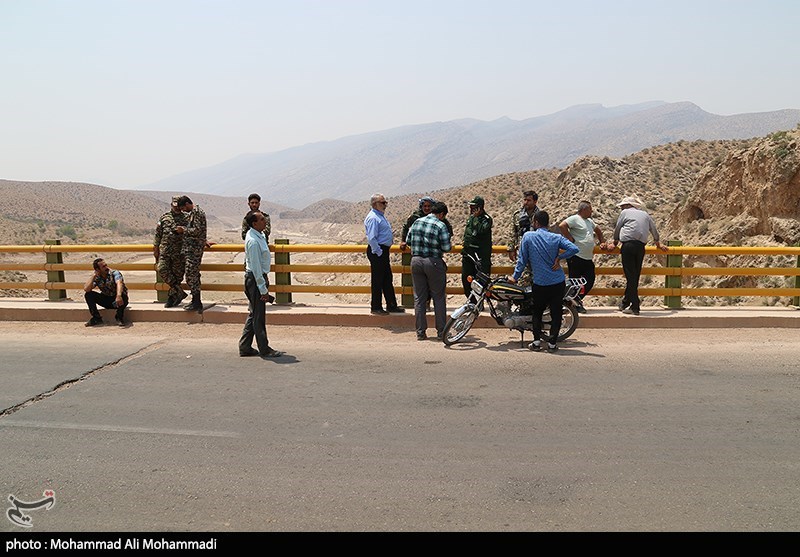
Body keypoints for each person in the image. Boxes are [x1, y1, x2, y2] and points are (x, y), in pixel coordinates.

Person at [508, 211, 579, 352]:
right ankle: (552, 344)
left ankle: (536, 342)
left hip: (540, 283)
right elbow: (574, 248)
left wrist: (515, 277)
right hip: (557, 282)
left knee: (537, 312)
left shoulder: (528, 237)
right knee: (556, 313)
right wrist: (560, 258)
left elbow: (521, 261)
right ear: (547, 223)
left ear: (535, 222)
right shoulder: (556, 237)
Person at [602, 196, 668, 315]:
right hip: (640, 247)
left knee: (630, 276)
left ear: (627, 205)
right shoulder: (645, 214)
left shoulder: (625, 213)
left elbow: (617, 228)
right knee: (634, 276)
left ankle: (635, 306)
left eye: (622, 206)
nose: (621, 208)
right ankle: (626, 302)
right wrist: (657, 242)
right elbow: (653, 229)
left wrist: (615, 242)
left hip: (628, 246)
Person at [239, 210, 284, 359]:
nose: (265, 222)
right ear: (254, 223)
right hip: (255, 280)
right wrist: (263, 289)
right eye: (262, 220)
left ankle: (245, 346)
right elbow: (257, 269)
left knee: (254, 314)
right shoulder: (253, 241)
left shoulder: (260, 236)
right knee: (259, 317)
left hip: (257, 278)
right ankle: (264, 349)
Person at [405, 202, 452, 340]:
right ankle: (441, 332)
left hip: (416, 261)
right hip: (434, 262)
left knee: (419, 298)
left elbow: (408, 240)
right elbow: (446, 247)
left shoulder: (417, 222)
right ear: (442, 214)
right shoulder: (440, 225)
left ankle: (420, 332)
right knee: (438, 297)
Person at [400, 196, 453, 312]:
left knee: (422, 292)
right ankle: (440, 327)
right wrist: (403, 241)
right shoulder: (415, 217)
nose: (427, 208)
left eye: (429, 206)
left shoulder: (442, 222)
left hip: (420, 260)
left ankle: (420, 327)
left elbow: (450, 231)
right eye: (425, 206)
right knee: (434, 293)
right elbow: (406, 229)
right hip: (431, 260)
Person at [558, 200, 605, 313]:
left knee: (590, 280)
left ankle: (574, 301)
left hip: (587, 257)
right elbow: (562, 225)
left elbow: (598, 230)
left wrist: (602, 241)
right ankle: (574, 304)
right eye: (590, 209)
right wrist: (569, 238)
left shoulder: (589, 221)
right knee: (575, 282)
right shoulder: (575, 218)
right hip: (576, 256)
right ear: (583, 209)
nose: (592, 211)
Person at [364, 193, 405, 315]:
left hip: (382, 251)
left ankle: (391, 305)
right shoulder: (373, 218)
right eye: (383, 203)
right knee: (378, 280)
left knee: (387, 278)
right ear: (375, 204)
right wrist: (379, 252)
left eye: (385, 202)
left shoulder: (379, 216)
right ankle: (376, 306)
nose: (385, 205)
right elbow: (371, 238)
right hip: (378, 251)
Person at [178, 196, 215, 313]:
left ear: (188, 204)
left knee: (191, 274)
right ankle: (195, 300)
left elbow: (198, 230)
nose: (183, 210)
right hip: (190, 249)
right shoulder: (193, 213)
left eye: (183, 208)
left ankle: (196, 301)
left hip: (194, 250)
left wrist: (183, 230)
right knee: (192, 274)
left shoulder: (197, 213)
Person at [154, 195, 188, 308]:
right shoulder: (165, 217)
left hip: (180, 253)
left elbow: (193, 232)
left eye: (179, 206)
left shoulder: (186, 218)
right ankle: (179, 292)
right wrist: (156, 248)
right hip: (165, 251)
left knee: (177, 276)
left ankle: (172, 297)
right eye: (175, 206)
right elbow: (158, 234)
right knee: (161, 268)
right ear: (171, 205)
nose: (177, 208)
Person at [506, 190, 541, 287]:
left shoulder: (540, 215)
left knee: (536, 278)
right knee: (522, 277)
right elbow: (512, 232)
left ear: (535, 201)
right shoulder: (518, 215)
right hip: (521, 251)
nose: (525, 202)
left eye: (528, 200)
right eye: (524, 200)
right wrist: (511, 249)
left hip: (536, 251)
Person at [461, 195, 493, 297]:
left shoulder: (486, 219)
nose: (471, 209)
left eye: (473, 207)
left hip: (481, 256)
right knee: (466, 279)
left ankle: (479, 303)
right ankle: (471, 302)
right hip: (468, 255)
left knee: (480, 282)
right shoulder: (470, 218)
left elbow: (481, 230)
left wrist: (476, 218)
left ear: (480, 207)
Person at [83, 258, 128, 327]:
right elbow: (87, 289)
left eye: (106, 265)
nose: (106, 267)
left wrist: (118, 296)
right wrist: (94, 276)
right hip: (106, 299)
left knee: (123, 295)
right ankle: (96, 318)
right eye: (103, 267)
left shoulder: (114, 273)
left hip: (118, 300)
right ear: (97, 270)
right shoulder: (97, 277)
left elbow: (119, 283)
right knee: (89, 295)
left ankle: (119, 317)